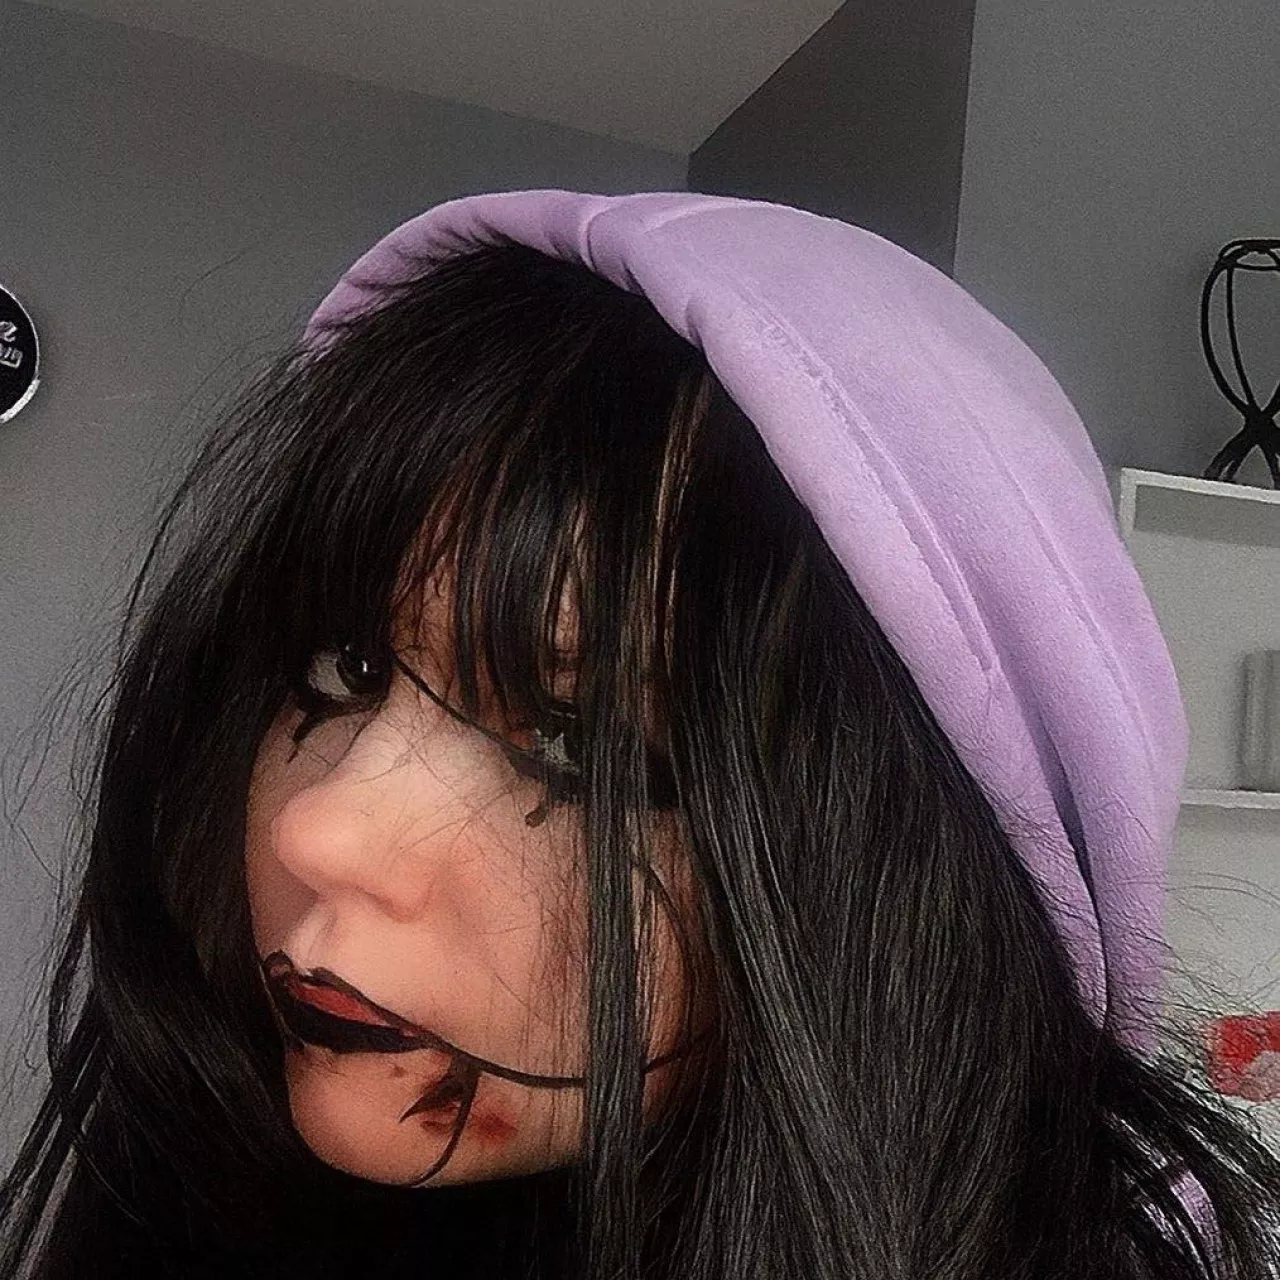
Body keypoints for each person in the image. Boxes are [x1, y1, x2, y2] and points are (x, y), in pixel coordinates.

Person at [2, 189, 1278, 1279]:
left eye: (582, 745)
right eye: (344, 667)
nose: (319, 827)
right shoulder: (194, 1193)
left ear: (904, 885)